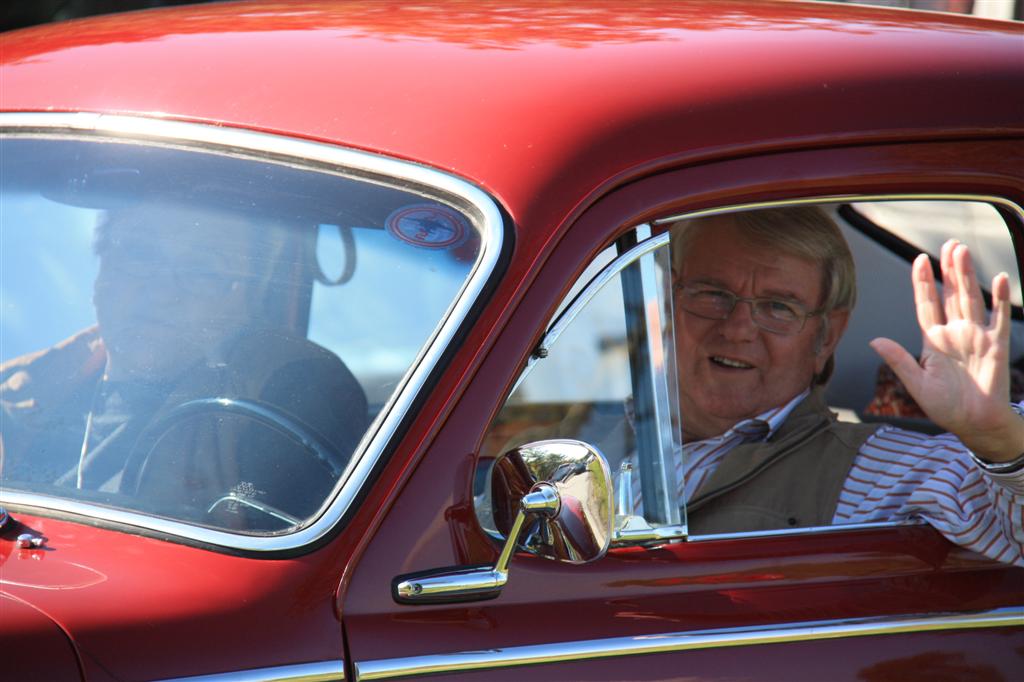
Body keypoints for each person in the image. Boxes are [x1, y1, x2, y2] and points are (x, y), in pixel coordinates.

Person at [626, 205, 1023, 565]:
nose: (738, 328)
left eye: (778, 307)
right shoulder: (590, 428)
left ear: (826, 337)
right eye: (713, 294)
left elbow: (1007, 527)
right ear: (665, 301)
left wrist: (996, 438)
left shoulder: (867, 470)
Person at [0, 200, 368, 529]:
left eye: (204, 270)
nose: (161, 290)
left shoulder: (280, 397)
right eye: (139, 254)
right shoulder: (18, 391)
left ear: (244, 301)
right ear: (101, 267)